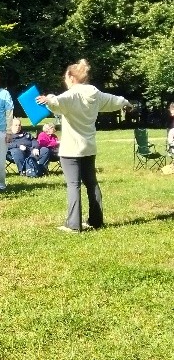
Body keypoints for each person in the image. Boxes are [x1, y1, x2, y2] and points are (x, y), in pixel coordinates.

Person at [36, 59, 131, 232]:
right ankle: (96, 221)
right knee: (92, 184)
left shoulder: (72, 94)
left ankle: (73, 225)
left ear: (71, 77)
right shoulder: (96, 94)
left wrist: (47, 99)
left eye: (65, 77)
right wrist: (126, 103)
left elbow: (57, 102)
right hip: (89, 147)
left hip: (71, 149)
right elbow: (115, 101)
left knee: (74, 185)